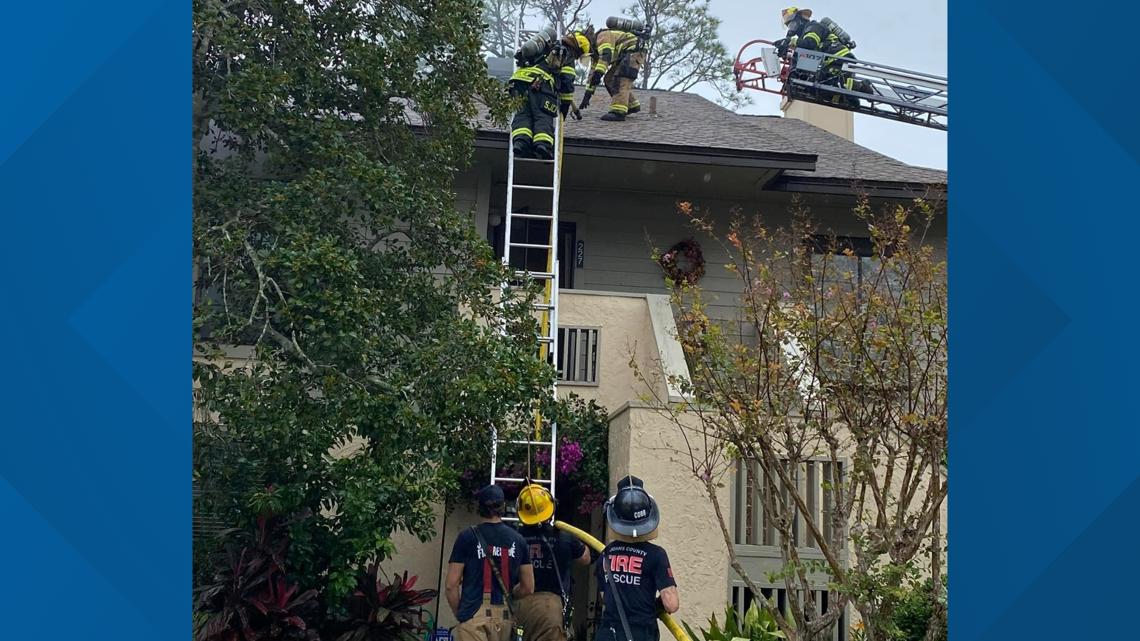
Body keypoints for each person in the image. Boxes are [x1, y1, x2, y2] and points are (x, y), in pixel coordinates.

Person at [594, 478, 680, 641]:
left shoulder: (605, 555)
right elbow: (671, 603)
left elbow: (606, 597)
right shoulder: (656, 555)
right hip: (640, 633)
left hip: (608, 634)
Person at [447, 485, 536, 641]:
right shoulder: (518, 540)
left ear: (480, 507)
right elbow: (528, 587)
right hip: (505, 617)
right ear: (503, 506)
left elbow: (451, 584)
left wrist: (461, 614)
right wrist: (511, 593)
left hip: (473, 615)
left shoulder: (466, 537)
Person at [513, 484, 592, 641]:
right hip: (551, 609)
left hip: (519, 606)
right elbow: (585, 558)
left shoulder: (514, 538)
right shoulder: (564, 538)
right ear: (551, 508)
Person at [510, 28, 594, 158]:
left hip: (518, 82)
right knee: (543, 116)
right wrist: (564, 108)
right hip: (540, 84)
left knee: (522, 114)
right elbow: (566, 84)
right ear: (577, 49)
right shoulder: (565, 54)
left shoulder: (546, 48)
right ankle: (542, 145)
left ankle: (520, 143)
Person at [775, 7, 864, 106]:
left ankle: (863, 87)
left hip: (838, 58)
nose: (791, 28)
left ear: (799, 19)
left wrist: (790, 41)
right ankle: (848, 100)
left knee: (831, 83)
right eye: (788, 26)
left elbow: (810, 43)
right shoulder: (804, 35)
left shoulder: (813, 27)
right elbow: (806, 59)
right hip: (830, 62)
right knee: (816, 88)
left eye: (791, 24)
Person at [579, 19, 650, 122]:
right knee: (609, 79)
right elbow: (593, 73)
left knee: (620, 79)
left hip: (634, 50)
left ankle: (618, 112)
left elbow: (606, 55)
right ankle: (631, 105)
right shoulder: (595, 51)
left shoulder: (602, 36)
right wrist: (587, 94)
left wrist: (599, 73)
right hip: (626, 54)